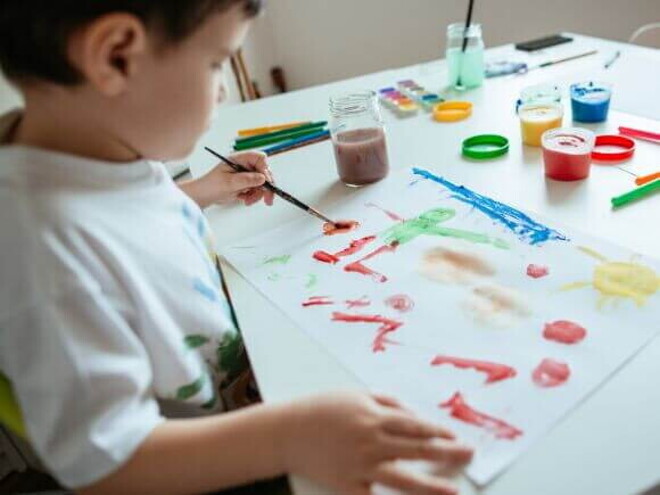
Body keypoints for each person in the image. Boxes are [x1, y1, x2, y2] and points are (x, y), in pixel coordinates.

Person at [0, 1, 473, 493]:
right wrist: (289, 439)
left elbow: (118, 222)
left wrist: (204, 191)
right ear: (116, 56)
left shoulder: (93, 146)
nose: (224, 88)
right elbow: (107, 463)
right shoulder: (38, 248)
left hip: (248, 387)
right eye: (214, 62)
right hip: (205, 469)